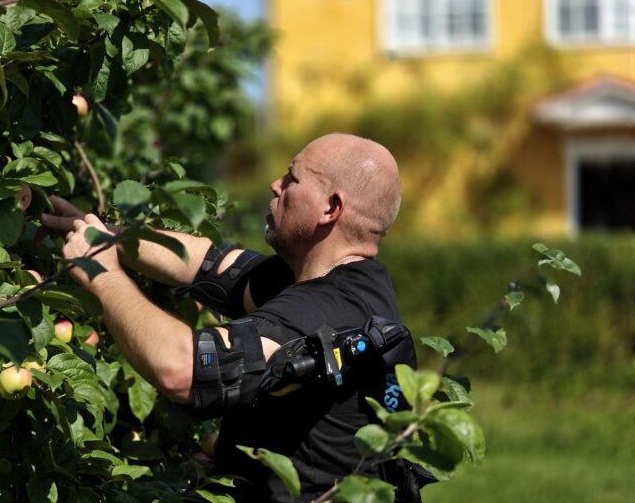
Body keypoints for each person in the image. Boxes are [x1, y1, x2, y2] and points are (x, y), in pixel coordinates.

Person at [40, 132, 425, 502]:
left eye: (292, 178)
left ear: (331, 208)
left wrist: (100, 272)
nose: (276, 184)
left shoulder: (324, 311)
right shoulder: (328, 281)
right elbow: (210, 265)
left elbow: (184, 369)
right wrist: (110, 238)